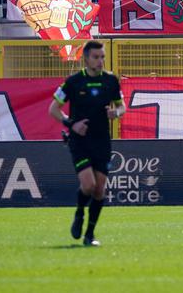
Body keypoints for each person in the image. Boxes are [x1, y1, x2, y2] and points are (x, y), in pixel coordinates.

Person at [47, 41, 125, 247]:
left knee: (99, 190)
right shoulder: (73, 82)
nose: (100, 61)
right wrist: (71, 124)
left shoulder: (110, 81)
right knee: (88, 185)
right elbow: (53, 109)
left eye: (102, 57)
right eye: (96, 57)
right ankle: (79, 213)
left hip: (102, 141)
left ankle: (89, 234)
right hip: (79, 141)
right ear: (86, 59)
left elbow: (122, 106)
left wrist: (115, 113)